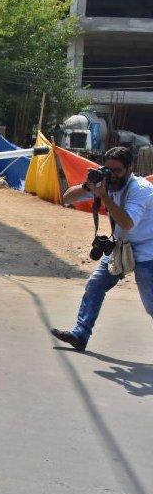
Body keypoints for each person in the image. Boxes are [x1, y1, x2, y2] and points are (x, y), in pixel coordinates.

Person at [51, 146, 153, 351]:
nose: (112, 175)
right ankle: (80, 334)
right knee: (95, 284)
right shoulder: (104, 182)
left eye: (117, 171)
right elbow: (67, 198)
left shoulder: (140, 189)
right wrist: (88, 187)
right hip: (121, 245)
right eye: (108, 169)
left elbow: (127, 223)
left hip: (148, 247)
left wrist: (104, 196)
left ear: (130, 168)